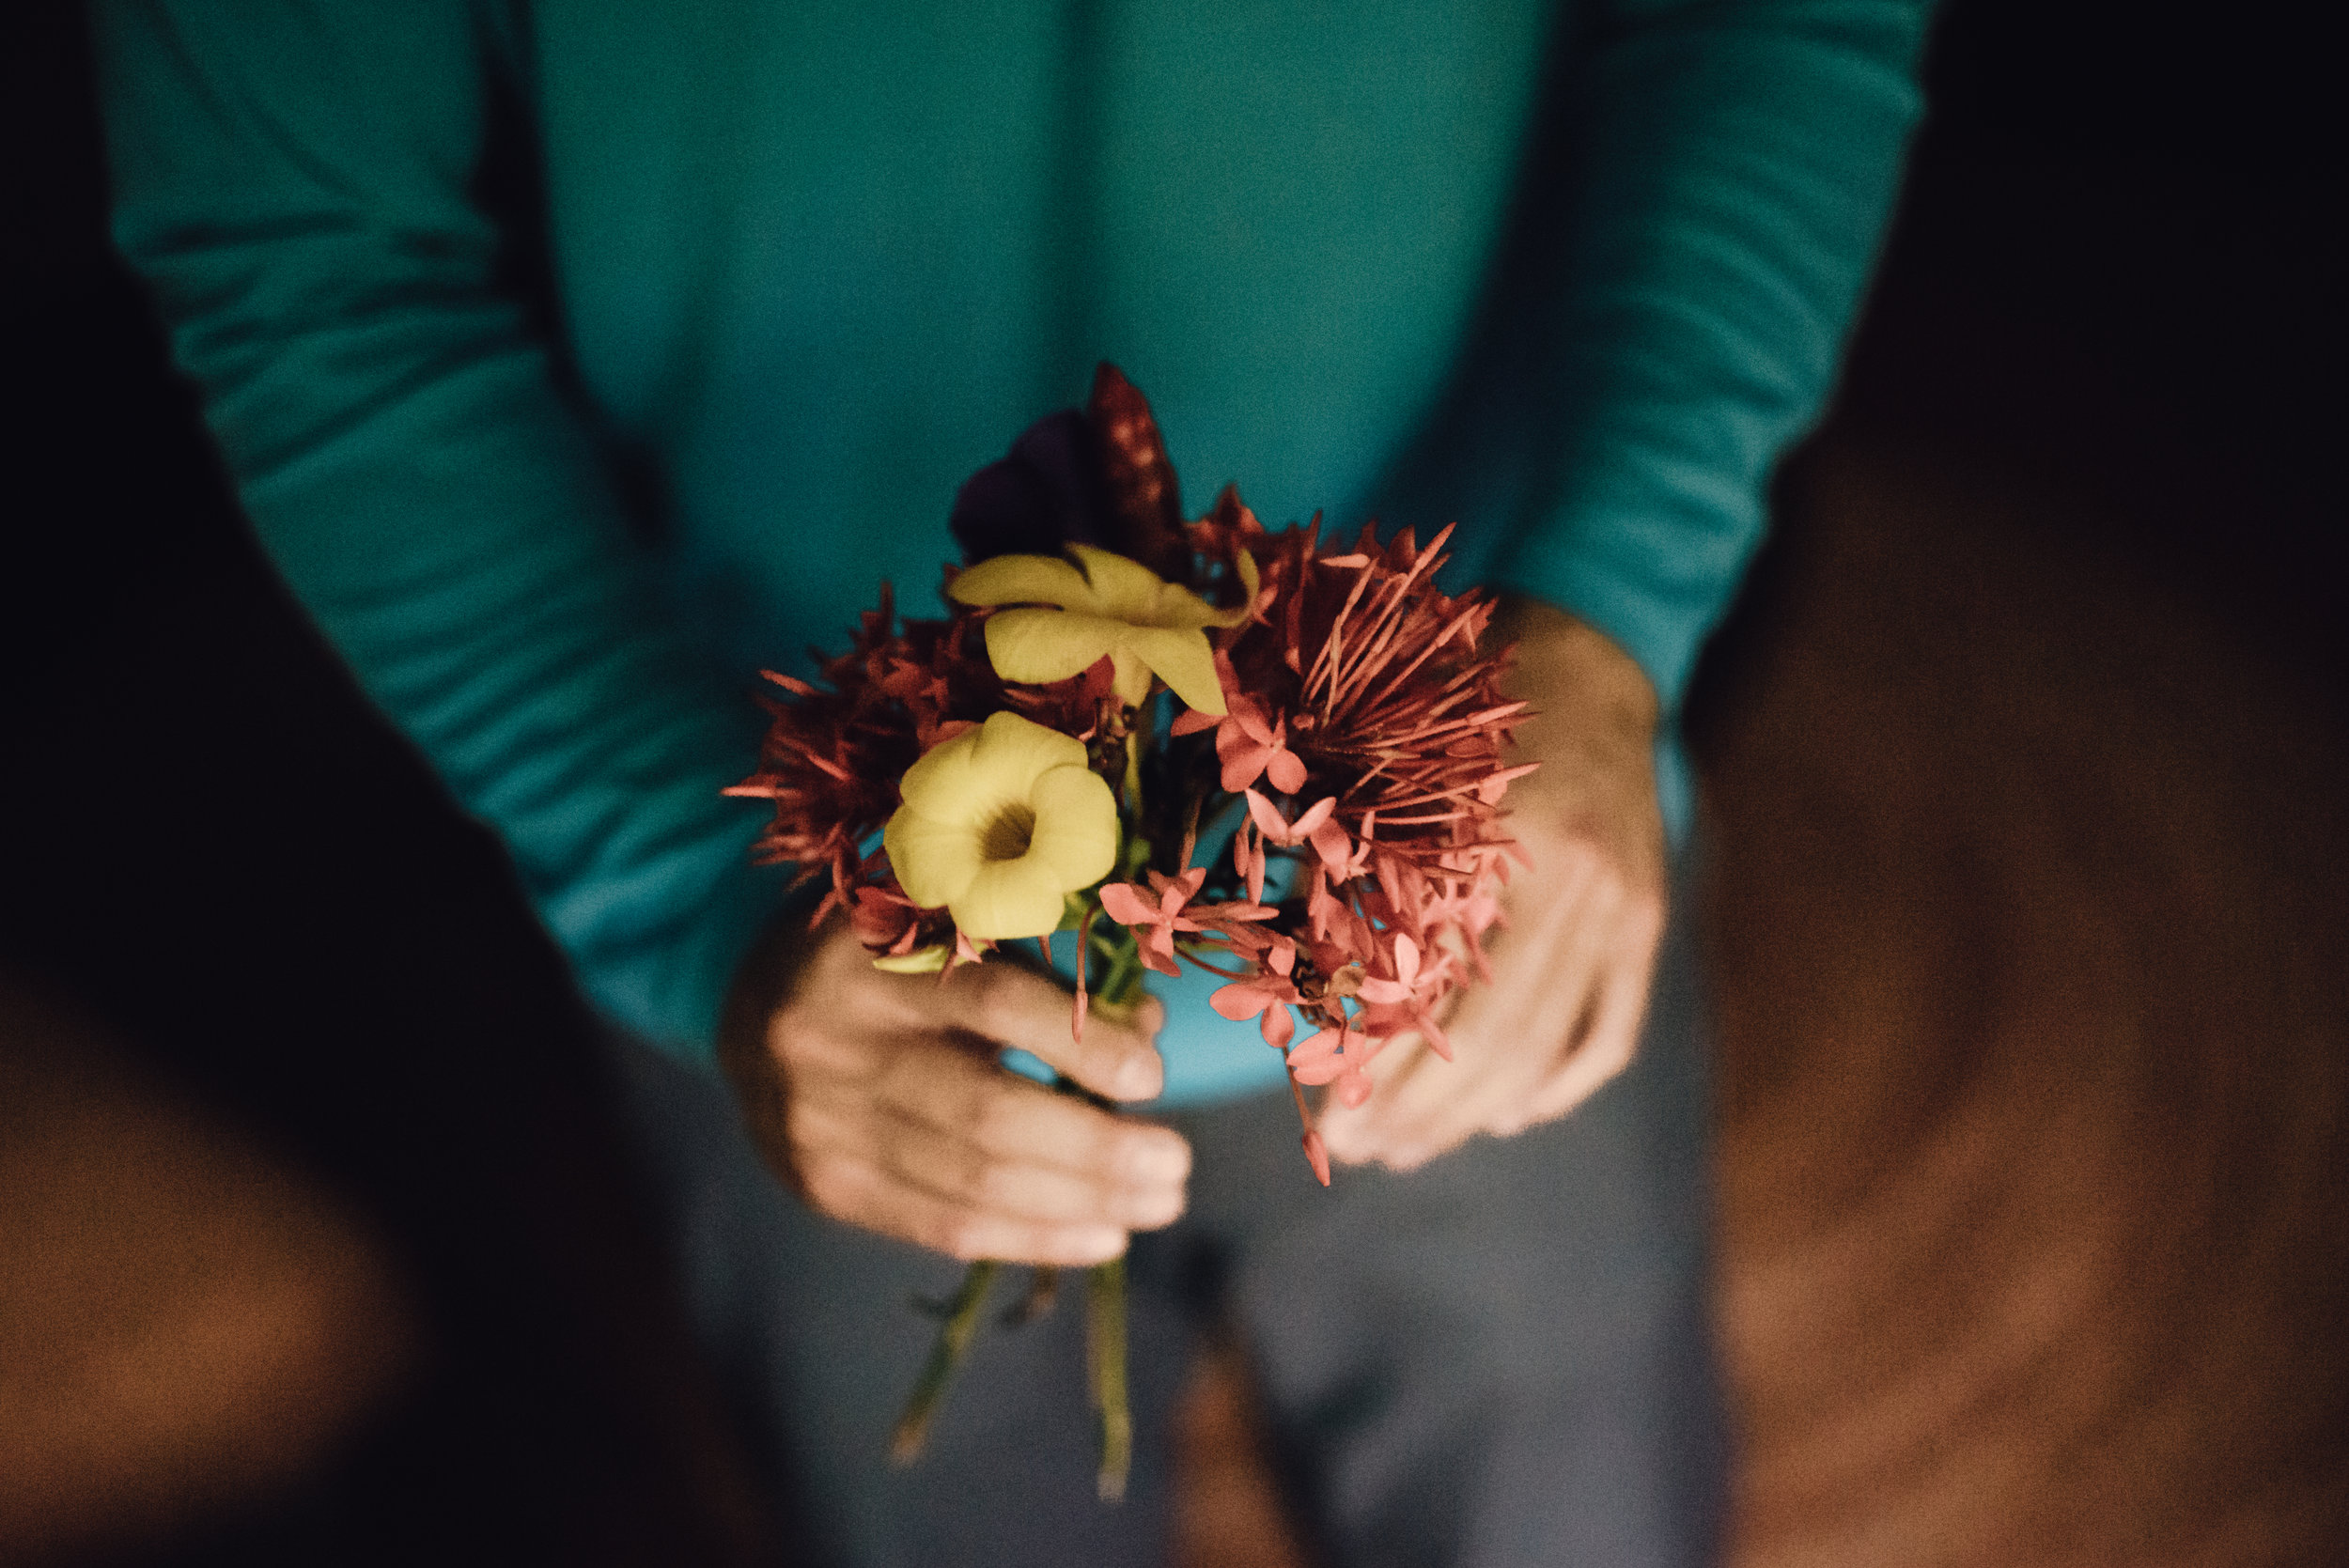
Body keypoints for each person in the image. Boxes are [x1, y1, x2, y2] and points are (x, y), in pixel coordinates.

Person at [94, 3, 1931, 1561]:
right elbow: (304, 243)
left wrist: (1611, 612)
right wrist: (685, 886)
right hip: (787, 892)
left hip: (1474, 837)